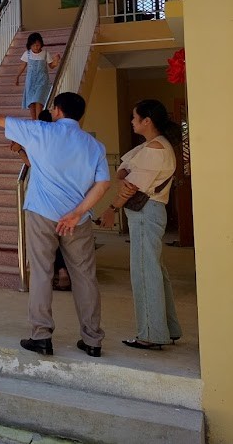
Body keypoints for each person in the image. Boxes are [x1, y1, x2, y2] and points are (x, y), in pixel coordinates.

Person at [0, 92, 110, 358]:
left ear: (57, 110)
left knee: (41, 274)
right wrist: (77, 212)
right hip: (77, 220)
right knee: (85, 278)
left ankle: (42, 337)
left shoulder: (40, 131)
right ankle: (93, 340)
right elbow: (103, 184)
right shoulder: (94, 145)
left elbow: (1, 120)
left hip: (42, 213)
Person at [98, 99, 183, 350]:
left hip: (147, 212)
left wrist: (111, 209)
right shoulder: (153, 146)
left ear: (147, 121)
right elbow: (122, 173)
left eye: (135, 117)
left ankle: (151, 333)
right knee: (155, 270)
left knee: (145, 272)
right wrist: (124, 179)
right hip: (150, 211)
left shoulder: (155, 149)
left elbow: (130, 184)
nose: (132, 121)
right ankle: (167, 328)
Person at [10, 110, 72, 291]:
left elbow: (31, 162)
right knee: (60, 236)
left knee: (46, 239)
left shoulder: (40, 138)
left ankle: (57, 274)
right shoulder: (62, 138)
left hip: (44, 197)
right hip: (65, 194)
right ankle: (64, 272)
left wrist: (20, 149)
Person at [15, 32, 61, 120]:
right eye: (33, 45)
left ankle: (39, 121)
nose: (36, 47)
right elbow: (22, 65)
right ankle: (34, 120)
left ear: (41, 44)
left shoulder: (45, 53)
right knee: (31, 103)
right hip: (30, 82)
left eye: (38, 45)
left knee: (38, 100)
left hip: (42, 81)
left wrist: (56, 60)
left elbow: (51, 66)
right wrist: (17, 76)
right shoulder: (27, 54)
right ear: (30, 45)